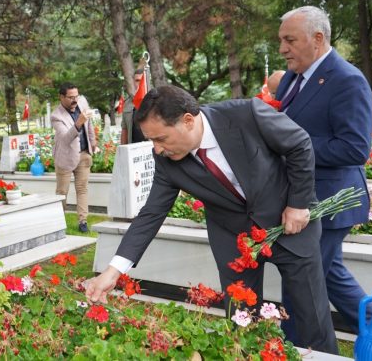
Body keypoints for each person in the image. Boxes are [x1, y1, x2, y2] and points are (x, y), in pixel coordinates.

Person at [85, 85, 338, 354]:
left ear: (188, 120)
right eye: (151, 141)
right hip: (233, 241)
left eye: (160, 139)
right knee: (242, 325)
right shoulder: (166, 160)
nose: (157, 150)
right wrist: (113, 272)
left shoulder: (247, 114)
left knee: (312, 317)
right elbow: (151, 214)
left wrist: (298, 205)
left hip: (290, 227)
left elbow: (299, 144)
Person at [275, 6, 372, 341]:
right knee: (328, 274)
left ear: (318, 39)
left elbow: (355, 149)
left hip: (329, 202)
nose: (282, 49)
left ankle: (300, 347)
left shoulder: (348, 80)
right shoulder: (291, 77)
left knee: (301, 280)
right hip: (302, 196)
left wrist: (294, 146)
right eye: (281, 40)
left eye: (290, 40)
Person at [51, 83, 97, 233]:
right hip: (65, 157)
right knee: (62, 192)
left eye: (76, 96)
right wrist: (78, 122)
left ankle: (83, 221)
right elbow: (65, 139)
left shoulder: (82, 102)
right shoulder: (56, 116)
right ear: (62, 97)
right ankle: (59, 222)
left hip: (84, 154)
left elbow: (89, 124)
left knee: (82, 189)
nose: (74, 100)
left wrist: (92, 141)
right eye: (70, 97)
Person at [120, 69, 147, 145]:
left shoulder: (156, 100)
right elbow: (124, 129)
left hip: (152, 147)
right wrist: (123, 151)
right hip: (134, 148)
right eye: (137, 80)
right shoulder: (128, 103)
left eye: (142, 80)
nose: (140, 83)